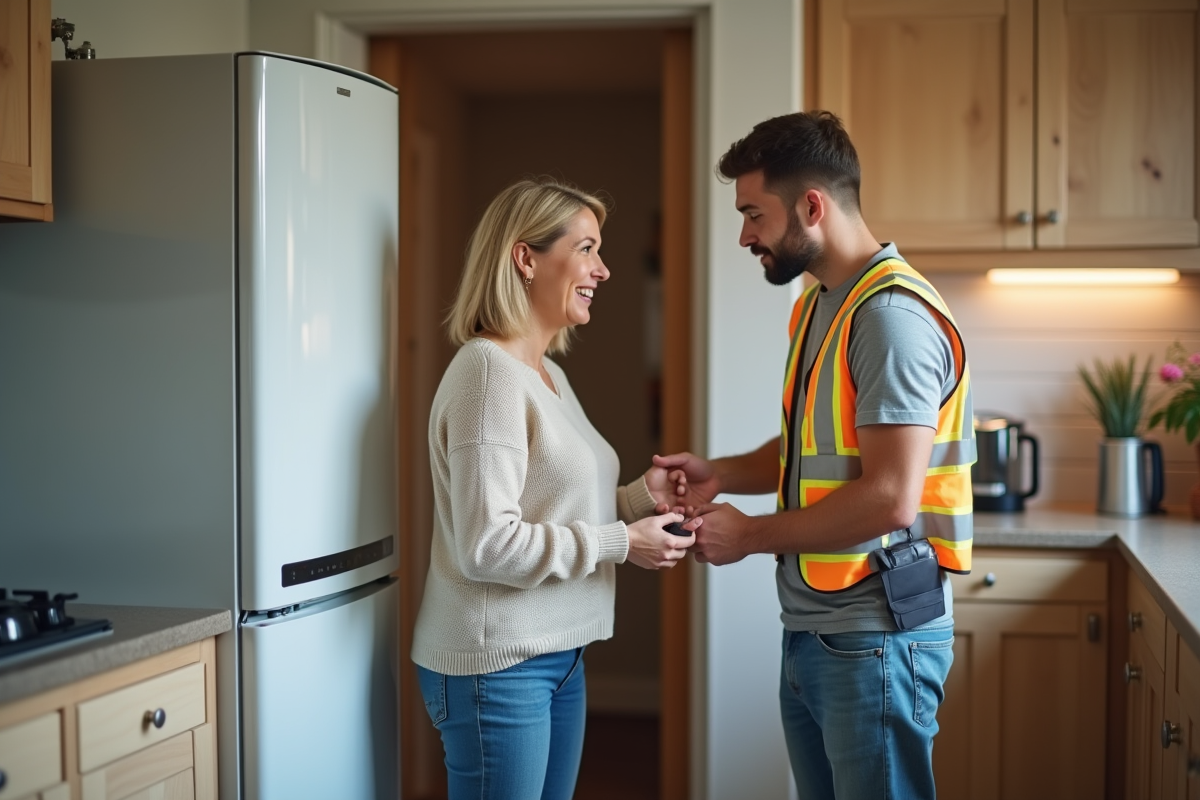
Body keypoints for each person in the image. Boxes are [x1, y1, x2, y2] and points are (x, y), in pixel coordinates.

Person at [657, 111, 975, 799]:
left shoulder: (889, 317)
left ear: (811, 206)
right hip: (819, 629)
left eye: (753, 214)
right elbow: (813, 450)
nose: (744, 235)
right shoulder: (823, 305)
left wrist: (747, 535)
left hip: (876, 637)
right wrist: (724, 473)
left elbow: (891, 495)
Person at [411, 177, 699, 800]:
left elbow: (559, 510)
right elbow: (488, 545)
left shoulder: (547, 374)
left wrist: (640, 501)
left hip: (558, 654)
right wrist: (624, 541)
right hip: (499, 663)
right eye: (588, 248)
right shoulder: (486, 375)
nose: (605, 268)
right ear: (525, 257)